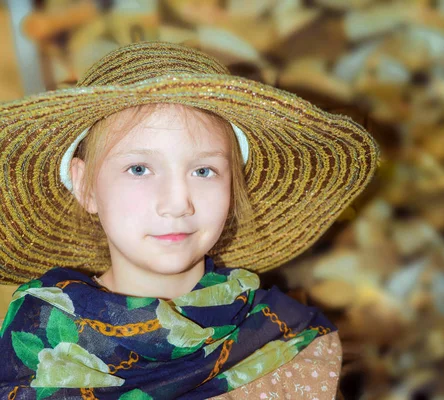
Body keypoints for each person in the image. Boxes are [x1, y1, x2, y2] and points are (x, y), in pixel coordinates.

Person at [0, 41, 379, 399]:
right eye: (139, 168)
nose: (178, 203)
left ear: (233, 185)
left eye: (203, 171)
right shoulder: (35, 341)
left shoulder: (287, 339)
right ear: (85, 186)